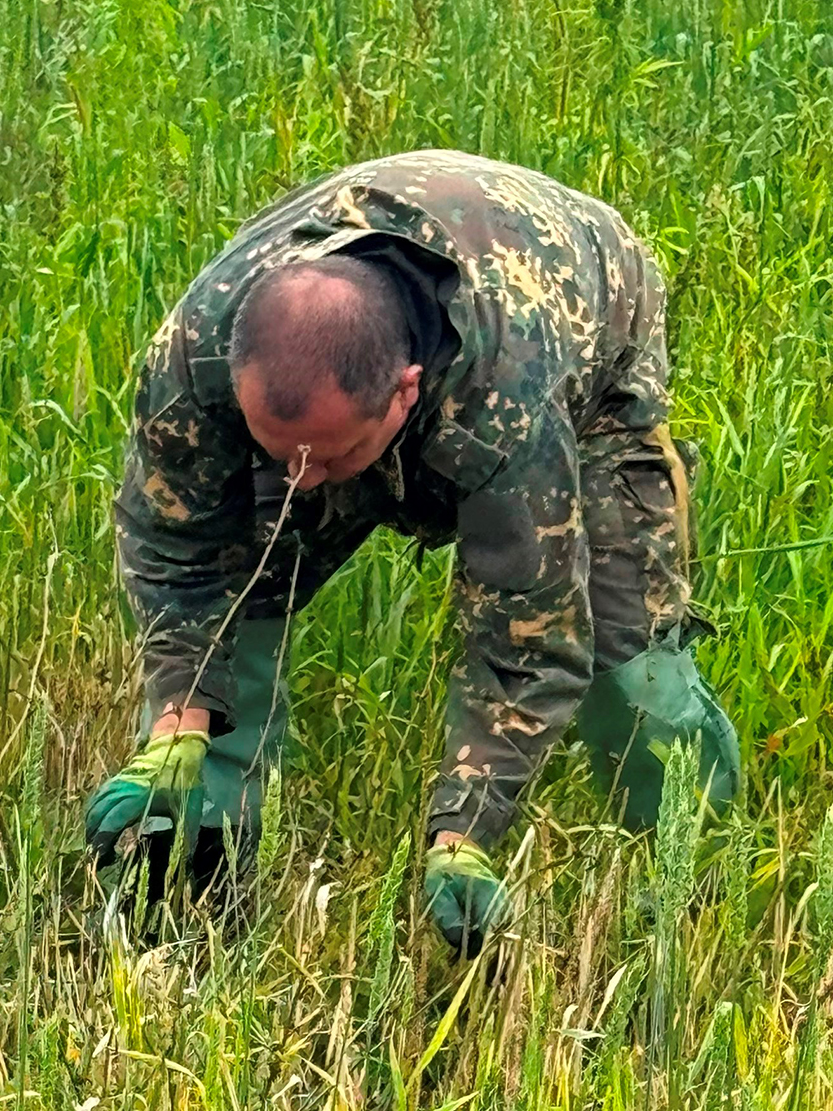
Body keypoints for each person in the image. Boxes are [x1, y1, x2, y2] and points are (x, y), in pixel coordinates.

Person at [83, 149, 740, 956]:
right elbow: (179, 553)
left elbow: (527, 641)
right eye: (275, 452)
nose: (298, 485)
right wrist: (181, 714)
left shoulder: (506, 406)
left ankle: (684, 901)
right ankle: (196, 875)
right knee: (242, 585)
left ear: (404, 395)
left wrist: (463, 831)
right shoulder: (199, 352)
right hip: (377, 328)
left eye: (323, 462)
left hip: (584, 318)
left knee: (626, 653)